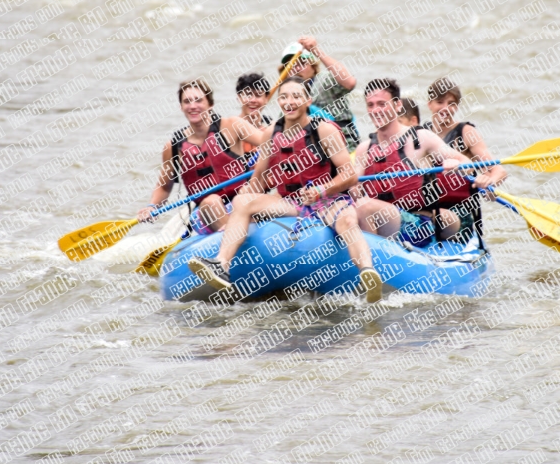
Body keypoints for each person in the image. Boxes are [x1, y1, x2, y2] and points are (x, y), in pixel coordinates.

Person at [187, 77, 383, 302]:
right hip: (290, 202)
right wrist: (236, 212)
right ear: (278, 101)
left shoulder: (324, 130)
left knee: (348, 220)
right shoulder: (272, 133)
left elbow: (349, 174)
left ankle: (367, 272)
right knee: (243, 202)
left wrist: (323, 190)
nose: (290, 102)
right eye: (284, 97)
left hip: (327, 201)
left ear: (308, 100)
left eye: (296, 96)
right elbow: (258, 180)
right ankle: (221, 264)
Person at [353, 79, 491, 247]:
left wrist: (456, 165)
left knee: (365, 207)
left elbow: (466, 163)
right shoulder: (364, 149)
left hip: (419, 221)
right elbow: (353, 188)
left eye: (382, 104)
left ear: (397, 105)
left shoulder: (421, 138)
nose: (376, 111)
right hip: (381, 219)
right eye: (371, 105)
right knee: (354, 208)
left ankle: (371, 260)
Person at [138, 79, 266, 235]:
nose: (193, 106)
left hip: (240, 201)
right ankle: (233, 240)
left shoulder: (232, 126)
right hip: (206, 214)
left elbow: (272, 144)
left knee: (247, 191)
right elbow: (164, 187)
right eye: (187, 101)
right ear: (181, 107)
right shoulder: (173, 146)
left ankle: (243, 233)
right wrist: (152, 207)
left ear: (210, 104)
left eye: (198, 100)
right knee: (211, 201)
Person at [423, 76, 507, 243]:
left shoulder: (466, 132)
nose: (445, 108)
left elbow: (499, 171)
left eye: (451, 104)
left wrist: (488, 182)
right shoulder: (420, 133)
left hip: (460, 213)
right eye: (440, 102)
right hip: (427, 209)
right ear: (430, 104)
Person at [279, 35, 360, 150]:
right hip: (310, 151)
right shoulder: (286, 96)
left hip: (344, 146)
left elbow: (350, 82)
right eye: (291, 65)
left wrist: (316, 51)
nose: (296, 69)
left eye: (302, 63)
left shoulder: (325, 80)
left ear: (313, 66)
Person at [236, 72, 273, 153]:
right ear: (239, 97)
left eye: (258, 95)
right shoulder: (229, 128)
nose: (253, 100)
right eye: (248, 95)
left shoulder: (272, 127)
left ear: (266, 98)